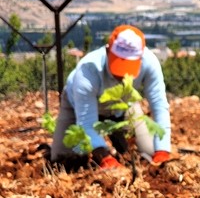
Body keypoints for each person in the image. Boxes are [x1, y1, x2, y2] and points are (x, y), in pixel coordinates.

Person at [50, 25, 171, 169]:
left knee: (149, 155)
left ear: (141, 56)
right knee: (62, 160)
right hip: (78, 108)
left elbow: (159, 106)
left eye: (129, 67)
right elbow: (87, 123)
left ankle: (122, 145)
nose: (122, 75)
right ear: (108, 50)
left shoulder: (150, 63)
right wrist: (105, 158)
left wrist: (162, 150)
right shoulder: (88, 71)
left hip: (123, 107)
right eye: (119, 65)